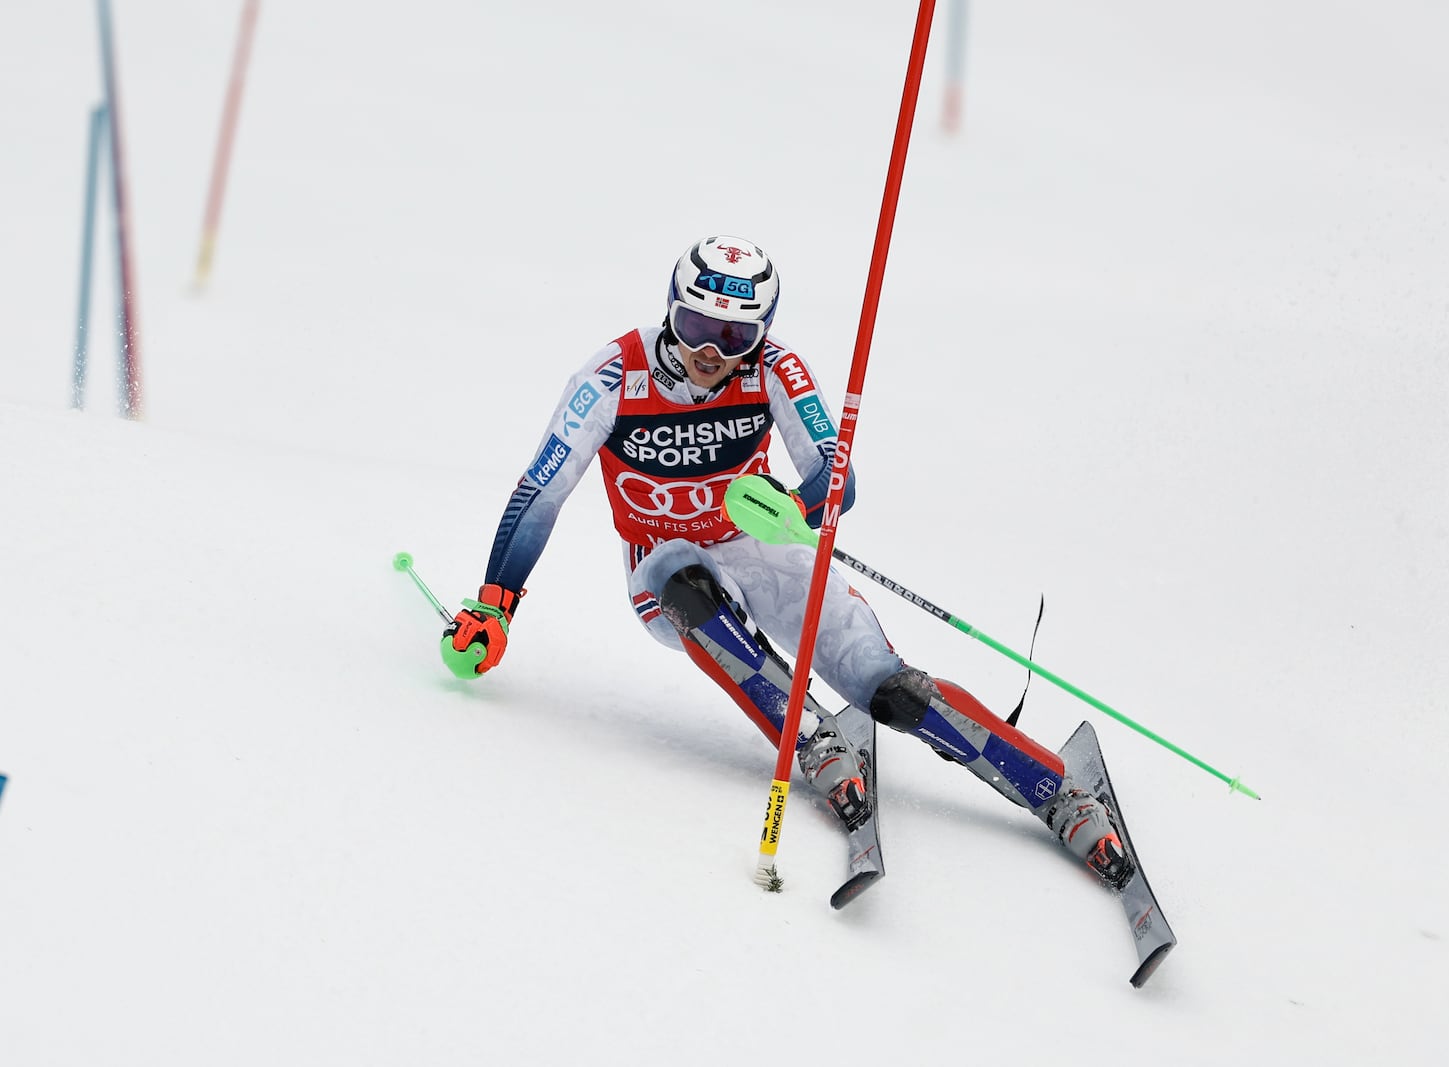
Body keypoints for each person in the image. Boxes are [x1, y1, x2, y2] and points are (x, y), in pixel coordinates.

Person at [443, 234, 1132, 887]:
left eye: (737, 334)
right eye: (695, 324)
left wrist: (800, 506)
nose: (713, 349)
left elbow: (837, 474)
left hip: (760, 545)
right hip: (666, 559)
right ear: (670, 307)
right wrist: (495, 603)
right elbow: (541, 490)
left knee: (887, 687)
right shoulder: (611, 376)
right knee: (683, 583)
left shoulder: (775, 368)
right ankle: (812, 738)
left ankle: (1058, 792)